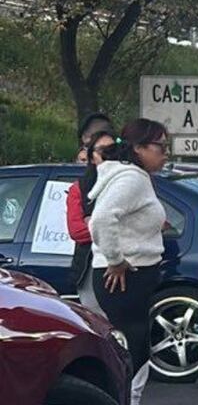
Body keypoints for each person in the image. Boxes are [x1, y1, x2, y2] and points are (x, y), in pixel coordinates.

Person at [89, 118, 171, 405]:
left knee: (130, 352)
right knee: (129, 353)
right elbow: (101, 220)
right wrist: (116, 259)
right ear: (138, 149)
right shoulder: (132, 178)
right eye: (160, 148)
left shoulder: (134, 177)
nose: (165, 155)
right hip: (124, 276)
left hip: (135, 274)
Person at [67, 129, 116, 319]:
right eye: (102, 150)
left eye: (112, 149)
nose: (108, 155)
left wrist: (95, 223)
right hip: (89, 264)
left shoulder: (130, 181)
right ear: (91, 156)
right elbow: (76, 231)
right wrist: (109, 226)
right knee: (96, 319)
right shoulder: (79, 188)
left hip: (127, 264)